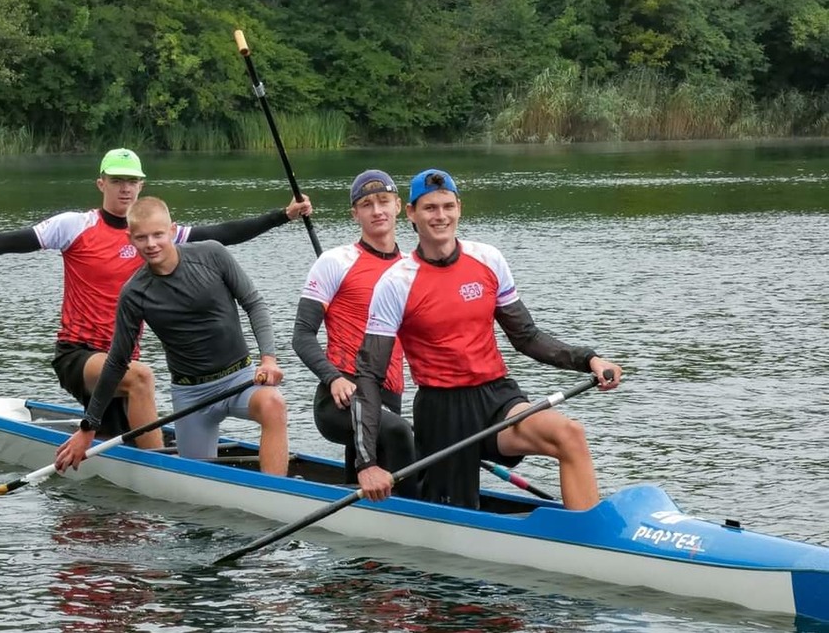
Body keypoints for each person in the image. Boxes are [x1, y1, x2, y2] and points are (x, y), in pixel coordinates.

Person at [0, 148, 311, 450]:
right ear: (102, 184)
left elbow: (225, 233)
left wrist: (282, 216)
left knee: (133, 385)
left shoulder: (156, 233)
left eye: (132, 181)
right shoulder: (74, 226)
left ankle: (138, 451)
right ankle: (159, 470)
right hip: (78, 355)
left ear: (141, 187)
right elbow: (6, 242)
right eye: (117, 181)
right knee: (142, 376)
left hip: (117, 358)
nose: (125, 188)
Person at [352, 168, 622, 509]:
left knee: (569, 434)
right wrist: (367, 464)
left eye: (448, 206)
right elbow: (369, 375)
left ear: (459, 208)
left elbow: (527, 337)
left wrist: (589, 360)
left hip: (497, 397)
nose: (441, 216)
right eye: (430, 208)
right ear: (411, 213)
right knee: (456, 510)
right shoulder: (395, 282)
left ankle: (587, 542)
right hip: (442, 410)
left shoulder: (488, 259)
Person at [54, 196, 288, 474]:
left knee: (273, 403)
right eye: (141, 238)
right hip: (191, 396)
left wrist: (269, 359)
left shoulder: (212, 254)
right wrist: (88, 427)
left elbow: (254, 303)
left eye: (158, 235)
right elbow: (117, 362)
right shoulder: (134, 293)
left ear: (173, 231)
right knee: (198, 483)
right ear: (130, 238)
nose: (151, 244)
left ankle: (272, 493)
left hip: (241, 378)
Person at [292, 170, 417, 497]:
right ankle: (423, 517)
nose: (377, 210)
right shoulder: (335, 262)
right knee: (402, 435)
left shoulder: (413, 267)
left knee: (375, 474)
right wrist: (333, 378)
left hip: (389, 396)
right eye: (366, 204)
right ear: (355, 214)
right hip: (341, 396)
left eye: (383, 201)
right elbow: (302, 335)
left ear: (398, 206)